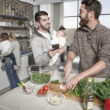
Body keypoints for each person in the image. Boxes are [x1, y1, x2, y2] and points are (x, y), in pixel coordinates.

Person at [64, 0, 110, 90]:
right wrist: (69, 62)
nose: (78, 14)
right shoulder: (79, 31)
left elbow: (104, 62)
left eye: (81, 11)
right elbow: (73, 49)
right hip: (83, 79)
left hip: (100, 81)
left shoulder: (106, 33)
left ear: (91, 14)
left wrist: (78, 77)